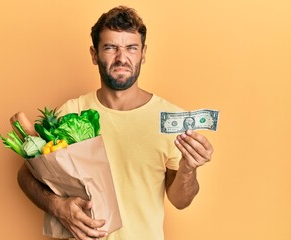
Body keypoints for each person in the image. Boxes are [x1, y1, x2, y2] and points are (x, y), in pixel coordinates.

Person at [17, 6, 214, 240]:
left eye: (131, 48)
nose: (122, 58)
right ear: (94, 54)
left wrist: (189, 168)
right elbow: (25, 175)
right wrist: (57, 207)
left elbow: (181, 201)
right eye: (111, 48)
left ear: (143, 53)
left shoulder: (170, 119)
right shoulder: (71, 112)